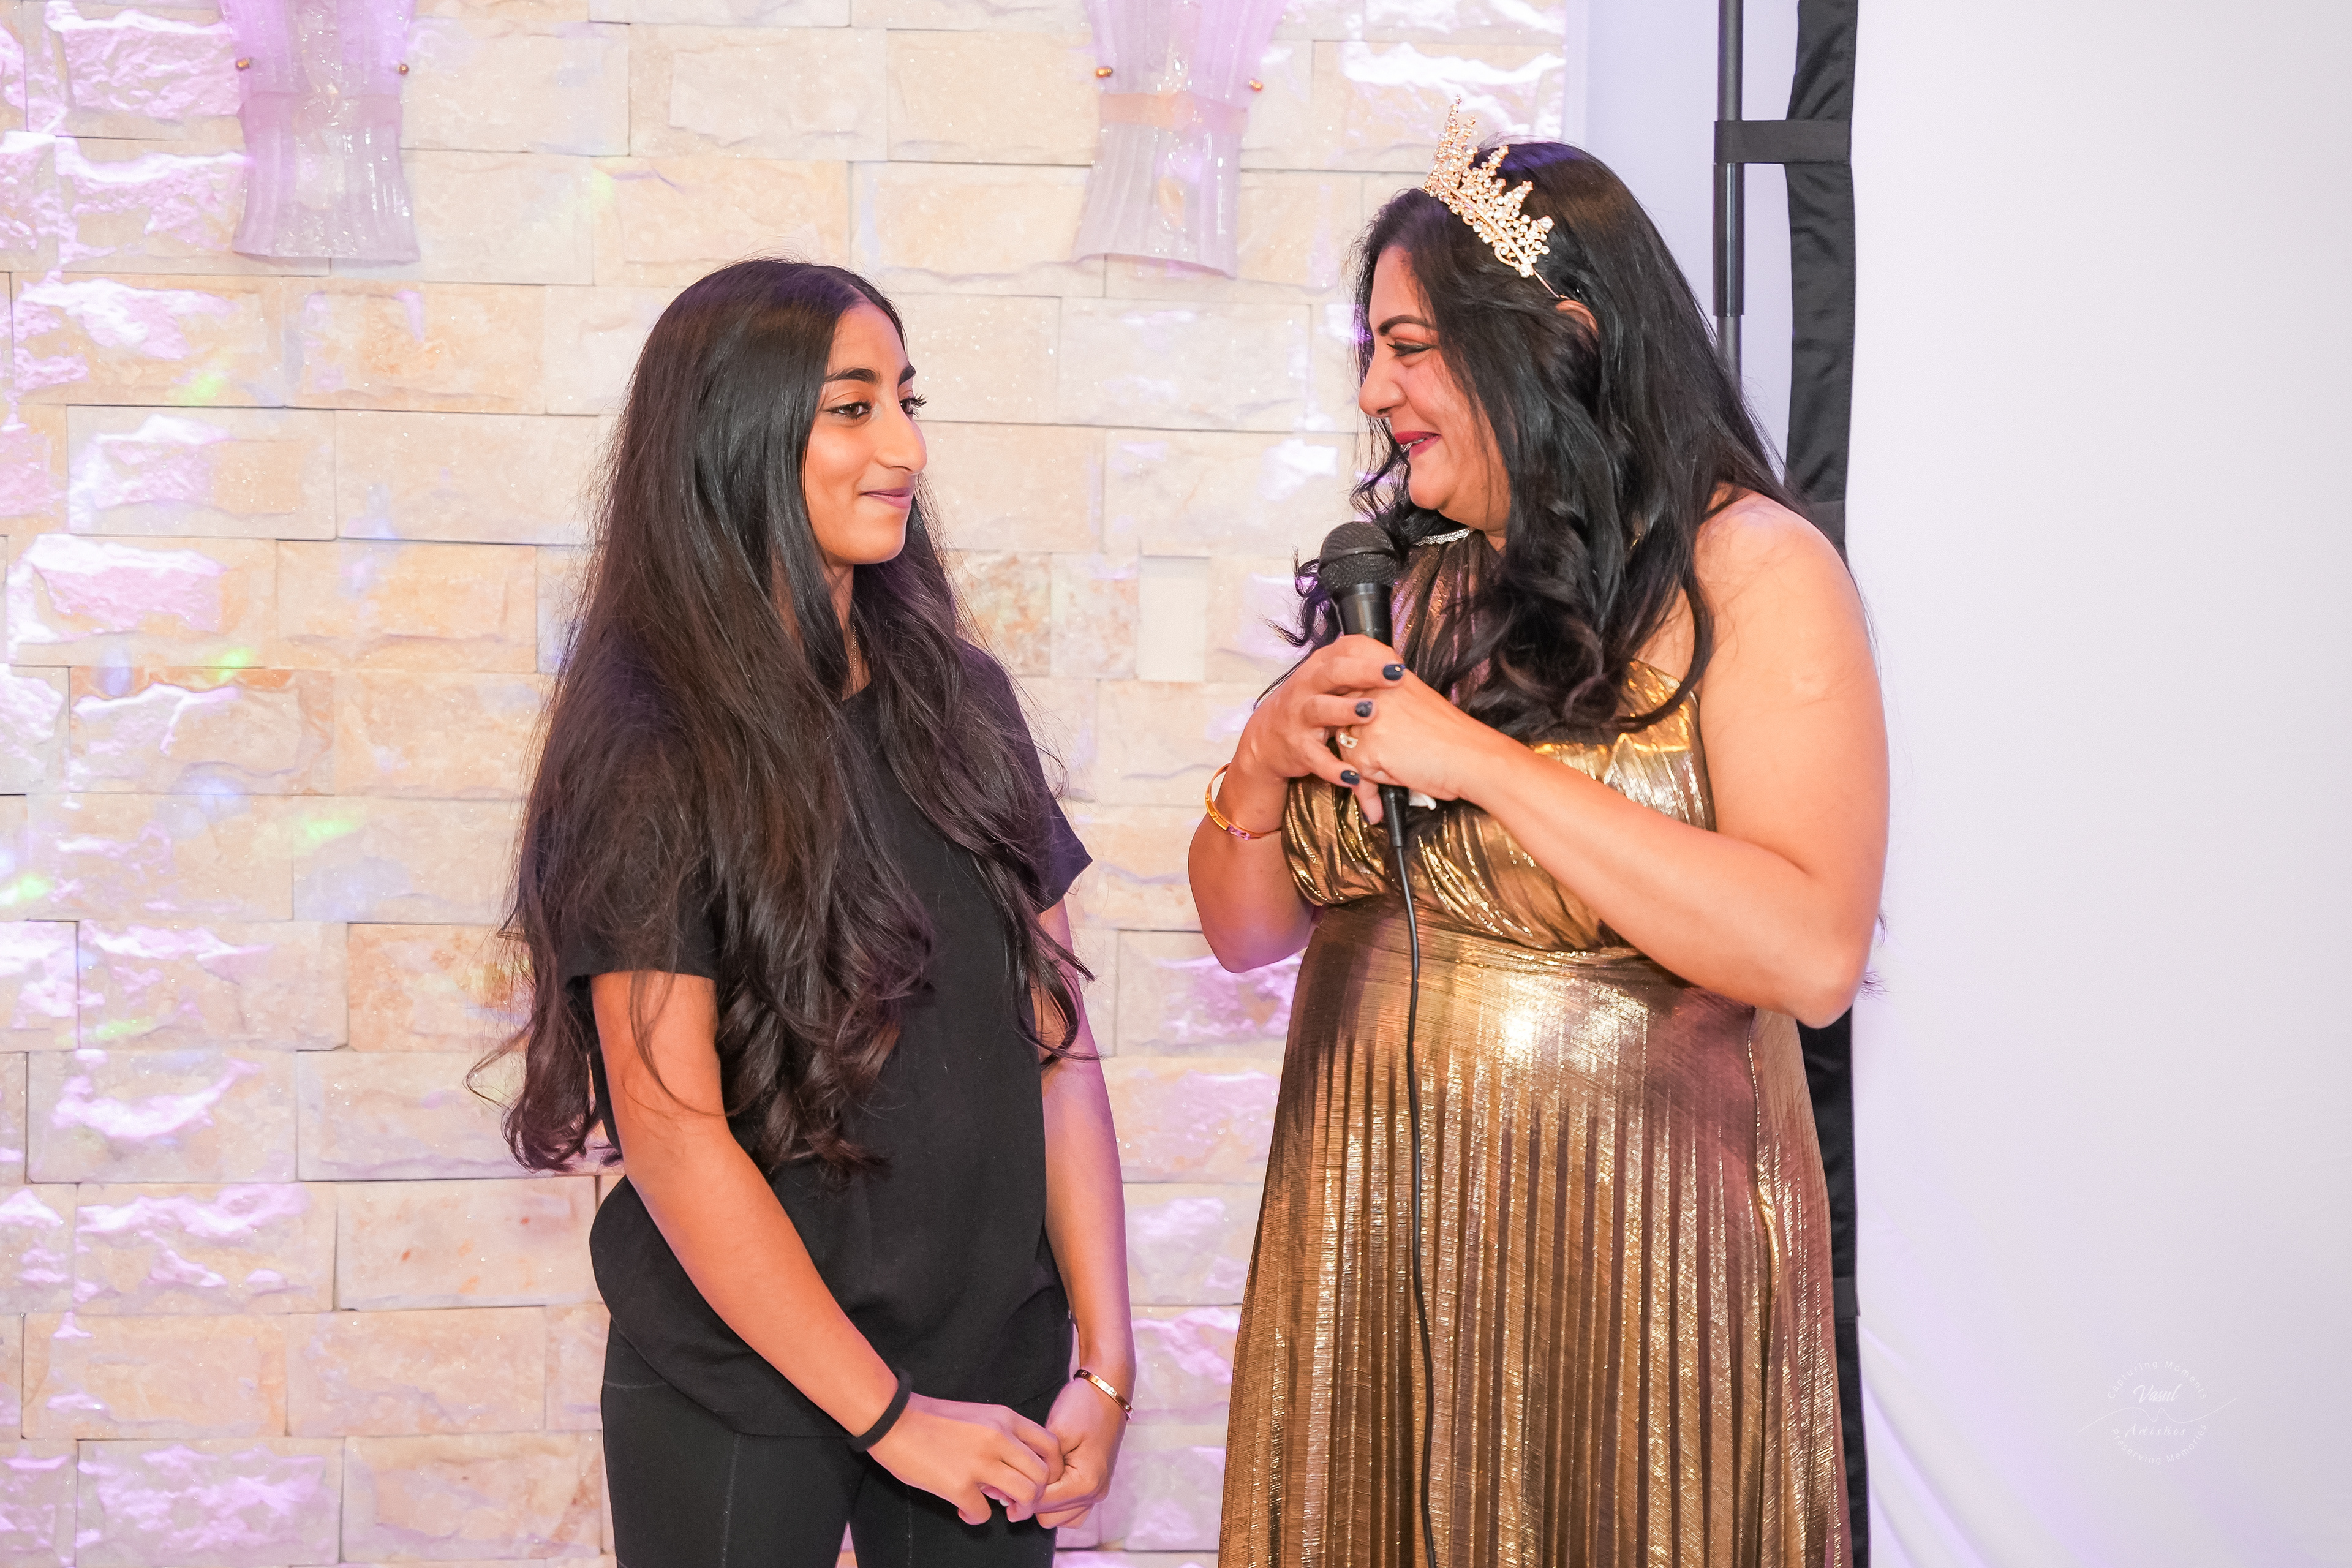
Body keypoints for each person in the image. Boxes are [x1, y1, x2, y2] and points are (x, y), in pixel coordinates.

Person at [1189, 116, 1885, 1567]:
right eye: (1370, 351)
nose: (1374, 392)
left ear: (1559, 339)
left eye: (1410, 347)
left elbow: (1810, 950)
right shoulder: (1416, 589)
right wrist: (1258, 761)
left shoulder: (1754, 569)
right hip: (1369, 1236)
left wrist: (1478, 763)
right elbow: (1249, 932)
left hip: (1627, 1255)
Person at [491, 260, 1133, 1568]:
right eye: (852, 408)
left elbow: (1058, 1046)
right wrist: (891, 1418)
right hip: (743, 1371)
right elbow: (674, 1133)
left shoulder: (964, 703)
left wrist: (1106, 1368)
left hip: (990, 1359)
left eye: (905, 400)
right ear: (738, 436)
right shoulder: (651, 746)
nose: (906, 447)